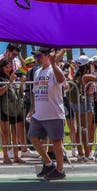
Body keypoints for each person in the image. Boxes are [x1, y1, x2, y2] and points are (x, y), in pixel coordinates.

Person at [28, 47, 68, 180]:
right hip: (39, 112)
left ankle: (60, 169)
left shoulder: (54, 69)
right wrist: (32, 109)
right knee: (32, 136)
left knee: (56, 141)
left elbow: (62, 80)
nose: (36, 59)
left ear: (46, 56)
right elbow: (35, 91)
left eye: (39, 56)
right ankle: (48, 163)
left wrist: (54, 63)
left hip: (53, 112)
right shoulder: (38, 71)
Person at [0, 58, 28, 163]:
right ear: (1, 67)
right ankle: (5, 156)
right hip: (4, 108)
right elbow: (0, 92)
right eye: (6, 67)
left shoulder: (13, 76)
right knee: (5, 133)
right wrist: (9, 82)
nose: (9, 69)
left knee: (15, 132)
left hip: (15, 107)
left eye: (10, 67)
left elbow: (19, 92)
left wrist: (21, 83)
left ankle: (16, 156)